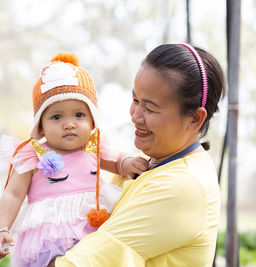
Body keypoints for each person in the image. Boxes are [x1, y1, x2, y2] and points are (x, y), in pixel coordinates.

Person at [49, 43, 226, 266]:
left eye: (150, 109)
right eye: (135, 101)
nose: (135, 116)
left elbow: (82, 262)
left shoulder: (184, 185)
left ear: (194, 119)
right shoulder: (147, 165)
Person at [0, 52, 149, 267]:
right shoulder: (33, 154)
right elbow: (13, 193)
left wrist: (128, 163)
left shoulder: (94, 147)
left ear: (92, 120)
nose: (69, 124)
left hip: (92, 231)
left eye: (79, 115)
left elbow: (117, 162)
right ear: (40, 125)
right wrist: (1, 228)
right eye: (56, 117)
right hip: (48, 239)